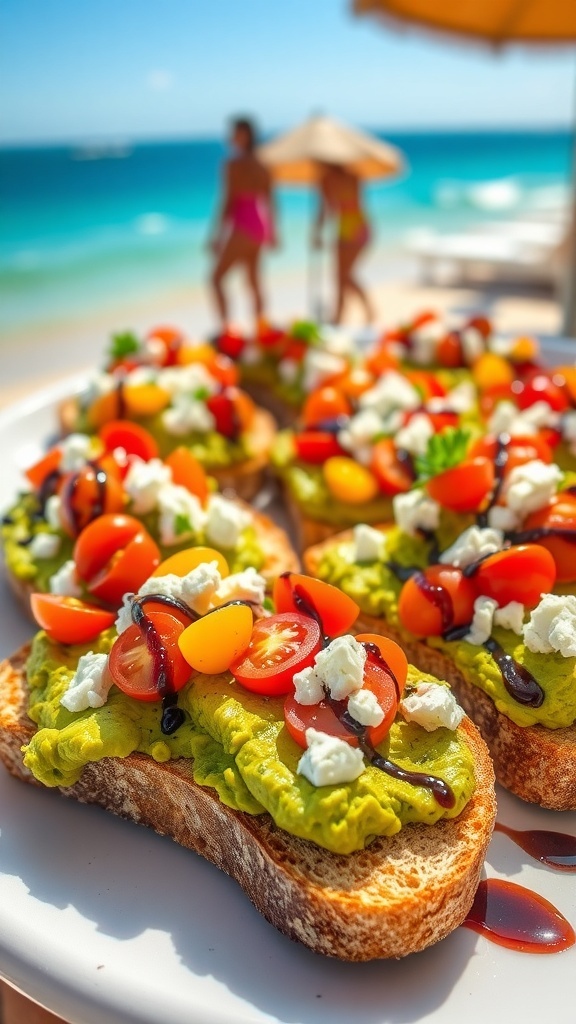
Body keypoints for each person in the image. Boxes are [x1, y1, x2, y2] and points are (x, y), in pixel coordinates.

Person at [208, 117, 277, 333]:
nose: (231, 137)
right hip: (260, 224)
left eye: (235, 133)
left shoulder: (233, 165)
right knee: (253, 281)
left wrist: (217, 235)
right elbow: (270, 201)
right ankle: (261, 330)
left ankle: (226, 330)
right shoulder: (264, 164)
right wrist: (273, 232)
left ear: (245, 135)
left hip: (243, 225)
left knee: (216, 279)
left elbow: (227, 201)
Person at [313, 162, 374, 324]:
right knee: (343, 275)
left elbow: (326, 209)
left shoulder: (325, 180)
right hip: (360, 225)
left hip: (348, 229)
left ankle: (348, 313)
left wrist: (316, 232)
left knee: (342, 275)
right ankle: (342, 314)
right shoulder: (354, 175)